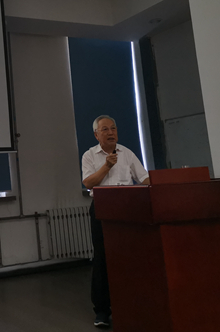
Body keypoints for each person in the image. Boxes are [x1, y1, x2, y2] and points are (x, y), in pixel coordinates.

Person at [81, 115, 150, 328]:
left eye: (113, 128)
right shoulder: (89, 155)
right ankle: (102, 310)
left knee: (128, 256)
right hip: (101, 209)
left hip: (127, 210)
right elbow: (88, 183)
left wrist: (156, 185)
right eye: (105, 129)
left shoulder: (127, 153)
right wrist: (107, 166)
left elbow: (144, 178)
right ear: (96, 135)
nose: (110, 132)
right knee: (102, 258)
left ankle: (131, 304)